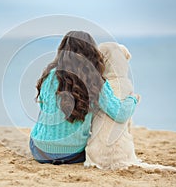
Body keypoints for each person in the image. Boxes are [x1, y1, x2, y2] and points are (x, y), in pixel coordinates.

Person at [29, 31, 138, 165]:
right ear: (91, 53)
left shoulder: (49, 76)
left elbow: (44, 109)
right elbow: (119, 114)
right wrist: (132, 99)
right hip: (72, 154)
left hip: (40, 151)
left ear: (62, 52)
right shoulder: (96, 81)